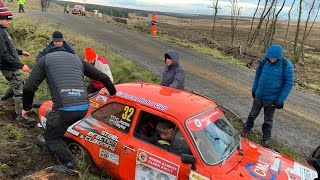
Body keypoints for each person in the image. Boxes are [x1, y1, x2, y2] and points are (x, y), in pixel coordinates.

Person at [22, 46, 116, 174]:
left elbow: (28, 88)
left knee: (52, 138)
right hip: (84, 106)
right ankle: (53, 142)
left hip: (64, 108)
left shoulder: (45, 60)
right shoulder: (77, 60)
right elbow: (104, 78)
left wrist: (27, 107)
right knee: (55, 122)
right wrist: (113, 92)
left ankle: (69, 163)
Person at [241, 44, 294, 148]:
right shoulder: (264, 62)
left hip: (272, 100)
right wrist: (254, 89)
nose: (272, 60)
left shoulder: (286, 65)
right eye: (270, 58)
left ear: (279, 57)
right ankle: (245, 130)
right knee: (252, 114)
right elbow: (257, 75)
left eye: (274, 58)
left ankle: (266, 139)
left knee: (268, 120)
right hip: (259, 95)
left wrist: (281, 99)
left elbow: (289, 83)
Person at [0, 6, 35, 127]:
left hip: (10, 65)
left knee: (16, 82)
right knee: (20, 90)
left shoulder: (3, 30)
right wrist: (21, 65)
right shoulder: (0, 32)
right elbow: (3, 54)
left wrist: (20, 52)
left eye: (10, 19)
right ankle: (21, 117)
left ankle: (5, 98)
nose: (10, 21)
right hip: (8, 66)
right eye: (7, 19)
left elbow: (9, 48)